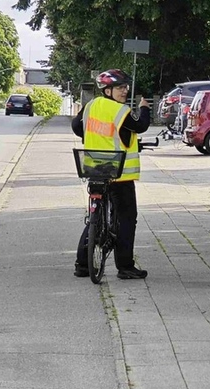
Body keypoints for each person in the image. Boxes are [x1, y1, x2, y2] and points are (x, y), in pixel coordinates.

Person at [71, 69, 151, 280]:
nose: (125, 91)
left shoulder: (91, 106)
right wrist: (144, 109)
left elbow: (76, 126)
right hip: (119, 174)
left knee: (94, 219)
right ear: (107, 90)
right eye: (120, 88)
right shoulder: (120, 111)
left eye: (125, 87)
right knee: (126, 219)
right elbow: (141, 126)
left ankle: (82, 264)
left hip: (94, 169)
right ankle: (125, 266)